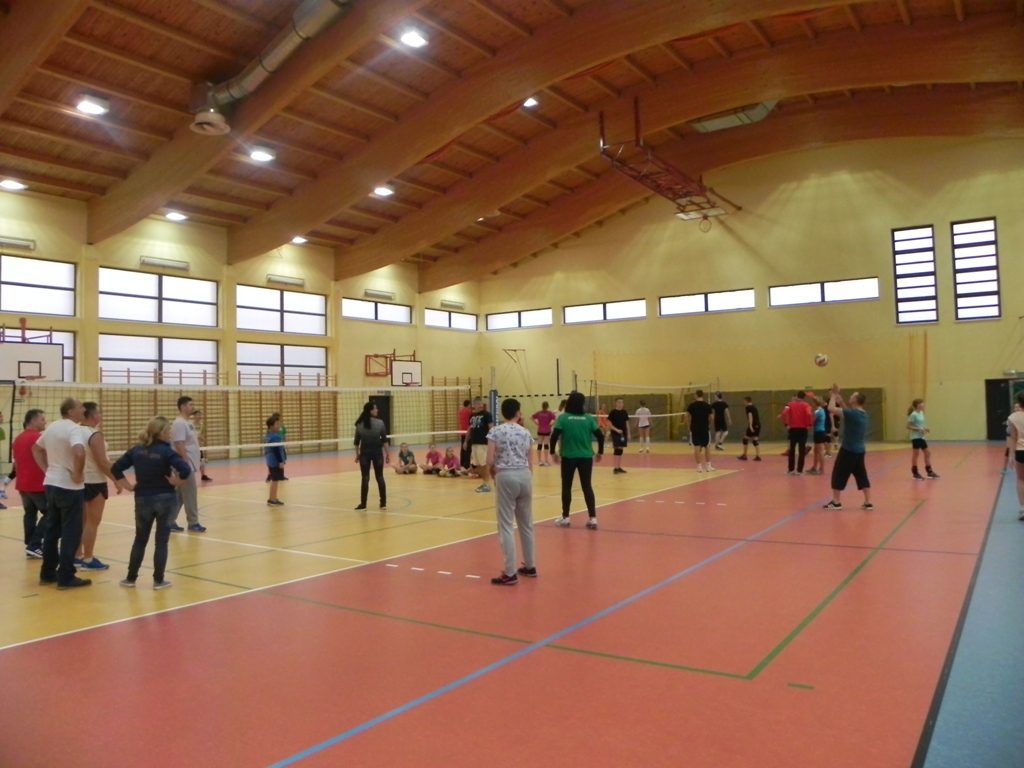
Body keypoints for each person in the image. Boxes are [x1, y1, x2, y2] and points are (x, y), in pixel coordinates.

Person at [112, 416, 192, 590]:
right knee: (161, 541)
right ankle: (158, 580)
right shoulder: (167, 451)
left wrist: (128, 486)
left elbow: (115, 468)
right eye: (168, 430)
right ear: (161, 433)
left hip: (143, 498)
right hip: (165, 498)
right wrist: (177, 482)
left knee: (140, 539)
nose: (170, 434)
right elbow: (185, 469)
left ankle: (130, 579)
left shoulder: (137, 450)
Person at [32, 398, 91, 589]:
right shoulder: (74, 429)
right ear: (71, 412)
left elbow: (36, 449)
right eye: (80, 407)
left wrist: (47, 469)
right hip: (69, 487)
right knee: (71, 532)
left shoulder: (52, 427)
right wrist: (77, 474)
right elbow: (80, 453)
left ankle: (47, 573)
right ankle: (66, 576)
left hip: (52, 484)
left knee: (52, 530)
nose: (84, 409)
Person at [487, 398, 536, 585]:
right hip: (525, 475)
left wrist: (493, 473)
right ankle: (530, 566)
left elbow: (489, 460)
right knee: (526, 524)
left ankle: (510, 572)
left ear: (502, 413)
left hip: (506, 475)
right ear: (518, 413)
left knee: (506, 525)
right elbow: (530, 461)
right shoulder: (526, 432)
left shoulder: (495, 431)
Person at [550, 391, 604, 529]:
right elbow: (600, 436)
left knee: (566, 486)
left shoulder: (563, 418)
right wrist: (600, 452)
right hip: (586, 457)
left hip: (568, 457)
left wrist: (552, 452)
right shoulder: (588, 418)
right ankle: (593, 518)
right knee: (587, 486)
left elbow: (554, 436)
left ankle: (565, 517)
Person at [75, 402, 119, 570]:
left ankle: (77, 555)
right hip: (94, 481)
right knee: (92, 522)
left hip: (78, 481)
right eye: (98, 413)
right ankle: (88, 559)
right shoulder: (94, 434)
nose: (100, 416)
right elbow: (103, 462)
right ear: (93, 415)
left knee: (80, 521)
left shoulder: (74, 431)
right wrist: (117, 479)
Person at [823, 384, 873, 510]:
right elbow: (847, 415)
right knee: (861, 475)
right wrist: (841, 403)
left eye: (852, 396)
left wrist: (834, 395)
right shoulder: (862, 413)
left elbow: (831, 409)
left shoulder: (853, 413)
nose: (850, 396)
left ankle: (836, 502)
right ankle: (868, 502)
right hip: (859, 451)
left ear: (855, 400)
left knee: (838, 474)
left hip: (848, 450)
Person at [13, 408, 48, 558]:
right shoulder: (38, 438)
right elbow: (46, 458)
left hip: (22, 483)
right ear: (33, 421)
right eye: (42, 419)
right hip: (37, 483)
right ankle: (35, 544)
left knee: (30, 514)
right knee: (51, 513)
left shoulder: (18, 438)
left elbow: (16, 463)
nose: (45, 422)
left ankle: (30, 545)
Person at [169, 396, 206, 533]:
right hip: (184, 465)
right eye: (190, 405)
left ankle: (169, 521)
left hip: (188, 463)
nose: (193, 407)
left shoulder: (187, 423)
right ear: (183, 407)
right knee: (190, 493)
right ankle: (193, 522)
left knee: (179, 495)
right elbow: (179, 443)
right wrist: (185, 462)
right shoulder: (179, 423)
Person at [354, 402, 389, 510]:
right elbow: (384, 440)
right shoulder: (380, 423)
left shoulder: (359, 424)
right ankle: (383, 503)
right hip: (377, 453)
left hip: (365, 454)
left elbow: (356, 442)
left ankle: (363, 504)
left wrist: (357, 455)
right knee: (380, 477)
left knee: (365, 477)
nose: (377, 410)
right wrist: (388, 453)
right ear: (370, 410)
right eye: (375, 408)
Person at [465, 397, 494, 493]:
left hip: (483, 443)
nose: (481, 405)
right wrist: (466, 441)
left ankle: (487, 483)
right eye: (478, 404)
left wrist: (493, 441)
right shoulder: (472, 415)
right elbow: (470, 429)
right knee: (477, 465)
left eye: (481, 404)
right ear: (474, 405)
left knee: (484, 464)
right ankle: (485, 483)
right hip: (474, 443)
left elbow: (492, 428)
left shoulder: (486, 414)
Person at [907, 399, 940, 480]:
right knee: (916, 454)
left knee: (927, 453)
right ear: (917, 405)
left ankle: (929, 472)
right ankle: (915, 473)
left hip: (921, 437)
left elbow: (920, 425)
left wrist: (924, 429)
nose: (923, 404)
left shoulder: (921, 413)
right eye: (921, 403)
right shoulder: (913, 414)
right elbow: (908, 426)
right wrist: (918, 429)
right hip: (915, 437)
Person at [785, 392, 814, 475]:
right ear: (804, 397)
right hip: (803, 429)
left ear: (797, 396)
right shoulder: (806, 405)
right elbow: (809, 414)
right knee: (801, 450)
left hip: (793, 429)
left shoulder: (789, 404)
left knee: (792, 449)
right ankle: (799, 471)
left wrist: (786, 424)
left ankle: (791, 470)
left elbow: (784, 413)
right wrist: (809, 424)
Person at [685, 390, 714, 472]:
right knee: (707, 446)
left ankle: (699, 466)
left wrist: (688, 425)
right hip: (705, 428)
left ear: (696, 395)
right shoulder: (707, 405)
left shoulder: (692, 405)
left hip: (695, 428)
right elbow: (712, 417)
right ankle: (708, 466)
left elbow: (686, 415)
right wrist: (708, 424)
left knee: (697, 446)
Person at [1008, 392, 1024, 521]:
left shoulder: (1013, 417)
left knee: (1021, 479)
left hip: (1021, 450)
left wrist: (1011, 455)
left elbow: (1013, 437)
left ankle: (1023, 509)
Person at [265, 414, 286, 506]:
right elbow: (276, 450)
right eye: (276, 424)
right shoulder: (275, 437)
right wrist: (281, 461)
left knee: (274, 480)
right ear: (271, 426)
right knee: (275, 480)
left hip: (269, 460)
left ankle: (272, 498)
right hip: (275, 461)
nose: (279, 426)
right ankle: (272, 500)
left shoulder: (267, 436)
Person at [607, 397, 630, 474]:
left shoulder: (624, 412)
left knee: (621, 449)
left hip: (623, 434)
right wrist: (616, 430)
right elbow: (609, 424)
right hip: (616, 433)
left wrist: (628, 433)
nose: (621, 404)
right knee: (617, 449)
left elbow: (627, 423)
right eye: (619, 402)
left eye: (622, 402)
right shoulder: (613, 412)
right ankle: (615, 468)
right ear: (616, 403)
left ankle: (619, 467)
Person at [808, 397, 829, 475]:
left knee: (820, 451)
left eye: (813, 402)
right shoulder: (821, 410)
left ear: (815, 403)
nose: (812, 404)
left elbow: (812, 422)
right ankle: (814, 467)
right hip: (820, 432)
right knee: (816, 451)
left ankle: (822, 469)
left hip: (819, 432)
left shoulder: (817, 412)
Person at [531, 401, 556, 466]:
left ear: (542, 406)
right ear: (547, 406)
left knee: (539, 445)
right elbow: (556, 419)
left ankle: (539, 461)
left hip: (540, 430)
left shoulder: (539, 413)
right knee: (546, 445)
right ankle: (546, 461)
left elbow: (531, 417)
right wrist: (551, 424)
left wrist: (537, 423)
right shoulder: (550, 413)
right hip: (547, 430)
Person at [737, 396, 762, 461]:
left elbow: (750, 415)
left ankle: (744, 455)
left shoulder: (748, 407)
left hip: (753, 425)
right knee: (755, 440)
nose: (743, 402)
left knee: (745, 439)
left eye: (744, 401)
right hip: (758, 425)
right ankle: (758, 456)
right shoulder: (754, 407)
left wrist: (750, 425)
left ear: (746, 401)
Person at [192, 409, 213, 482]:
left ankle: (203, 475)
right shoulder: (191, 425)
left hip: (198, 446)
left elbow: (202, 436)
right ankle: (190, 476)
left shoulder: (202, 425)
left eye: (200, 415)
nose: (200, 416)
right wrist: (196, 437)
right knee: (191, 461)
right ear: (194, 416)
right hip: (191, 447)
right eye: (198, 415)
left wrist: (202, 439)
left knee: (202, 461)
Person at [457, 399, 473, 470]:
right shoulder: (469, 412)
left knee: (462, 447)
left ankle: (462, 462)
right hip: (467, 431)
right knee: (468, 448)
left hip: (462, 431)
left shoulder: (460, 411)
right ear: (468, 404)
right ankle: (466, 463)